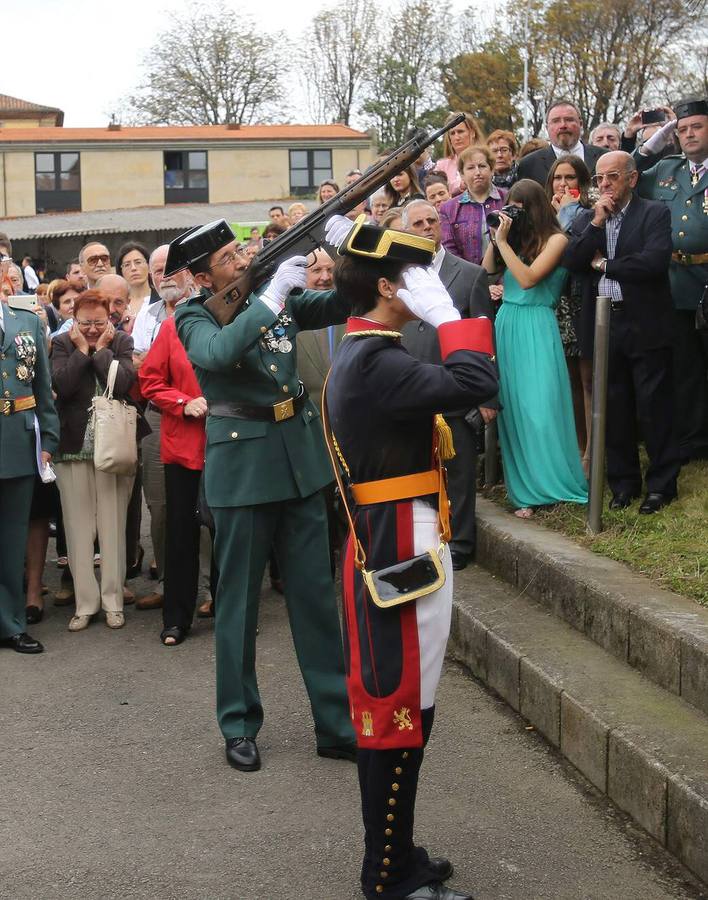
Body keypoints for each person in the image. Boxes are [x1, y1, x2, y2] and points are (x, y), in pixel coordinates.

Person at [325, 214, 497, 900]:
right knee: (400, 711)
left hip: (399, 530)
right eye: (418, 277)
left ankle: (398, 850)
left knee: (408, 707)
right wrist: (453, 317)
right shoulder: (378, 361)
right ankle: (387, 875)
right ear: (393, 288)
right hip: (400, 538)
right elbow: (475, 383)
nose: (430, 286)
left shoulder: (362, 350)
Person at [169, 218, 355, 771]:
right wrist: (271, 295)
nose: (241, 258)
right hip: (243, 467)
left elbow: (345, 304)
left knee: (316, 600)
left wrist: (347, 249)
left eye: (238, 250)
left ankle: (335, 721)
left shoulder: (279, 298)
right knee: (238, 602)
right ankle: (239, 721)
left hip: (298, 460)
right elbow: (221, 353)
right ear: (204, 276)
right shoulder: (193, 314)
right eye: (228, 257)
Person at [563, 152, 681, 512]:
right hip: (604, 323)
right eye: (599, 179)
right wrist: (597, 223)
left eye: (612, 177)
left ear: (631, 179)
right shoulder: (589, 218)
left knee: (653, 405)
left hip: (644, 321)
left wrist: (606, 264)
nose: (604, 185)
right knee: (613, 406)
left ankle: (662, 485)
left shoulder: (654, 213)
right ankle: (623, 483)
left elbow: (653, 261)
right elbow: (572, 262)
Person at [482, 178, 588, 516]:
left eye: (520, 207)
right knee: (515, 409)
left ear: (536, 207)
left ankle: (554, 482)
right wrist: (497, 235)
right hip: (508, 324)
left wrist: (505, 244)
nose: (516, 213)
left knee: (541, 408)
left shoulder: (557, 239)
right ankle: (526, 492)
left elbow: (528, 279)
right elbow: (486, 271)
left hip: (537, 324)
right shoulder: (516, 240)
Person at [401, 199, 497, 569]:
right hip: (410, 389)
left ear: (442, 226)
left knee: (458, 472)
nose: (426, 227)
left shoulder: (470, 274)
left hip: (456, 388)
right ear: (406, 230)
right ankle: (423, 540)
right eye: (418, 223)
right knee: (415, 471)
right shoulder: (397, 275)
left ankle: (460, 543)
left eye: (432, 221)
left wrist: (488, 395)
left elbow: (483, 338)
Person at [51, 291, 142, 631]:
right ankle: (85, 603)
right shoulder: (61, 344)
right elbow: (62, 384)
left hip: (114, 447)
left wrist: (101, 350)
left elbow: (122, 384)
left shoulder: (121, 341)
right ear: (74, 320)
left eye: (98, 323)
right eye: (84, 323)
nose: (91, 329)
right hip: (72, 447)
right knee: (76, 528)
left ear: (110, 320)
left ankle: (113, 601)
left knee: (113, 526)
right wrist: (81, 350)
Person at [633, 97, 708, 463]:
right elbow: (625, 174)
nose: (689, 134)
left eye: (697, 127)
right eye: (683, 129)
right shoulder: (667, 168)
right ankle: (693, 440)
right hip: (676, 282)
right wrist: (654, 137)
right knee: (686, 367)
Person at [138, 291, 210, 646]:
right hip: (183, 445)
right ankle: (177, 617)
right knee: (181, 532)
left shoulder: (237, 325)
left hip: (231, 444)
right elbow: (150, 382)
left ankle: (231, 611)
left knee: (230, 534)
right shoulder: (172, 328)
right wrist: (183, 402)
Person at [0, 293, 59, 654]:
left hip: (19, 441)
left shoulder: (27, 321)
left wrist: (48, 438)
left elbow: (42, 387)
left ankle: (11, 623)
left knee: (11, 541)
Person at [545, 155, 594, 469]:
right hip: (557, 302)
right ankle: (578, 447)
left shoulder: (590, 212)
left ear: (581, 181)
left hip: (584, 299)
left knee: (589, 378)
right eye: (558, 178)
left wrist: (566, 212)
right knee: (571, 381)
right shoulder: (545, 215)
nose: (563, 184)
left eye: (570, 178)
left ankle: (594, 450)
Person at [439, 145, 506, 265]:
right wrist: (472, 279)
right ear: (462, 174)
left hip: (508, 278)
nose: (477, 172)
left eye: (482, 166)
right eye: (470, 168)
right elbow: (449, 251)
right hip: (468, 279)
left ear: (491, 170)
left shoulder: (507, 198)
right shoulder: (449, 209)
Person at [516, 100, 607, 186]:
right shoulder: (529, 165)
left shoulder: (604, 157)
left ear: (581, 124)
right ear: (547, 127)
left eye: (569, 119)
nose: (563, 125)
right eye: (556, 121)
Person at [435, 111, 486, 196]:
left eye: (460, 132)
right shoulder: (441, 166)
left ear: (472, 133)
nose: (457, 137)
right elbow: (436, 190)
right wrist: (461, 185)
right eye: (452, 133)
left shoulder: (485, 159)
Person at [116, 241, 154, 336]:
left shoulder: (162, 300)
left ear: (149, 266)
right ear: (121, 271)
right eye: (127, 264)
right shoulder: (116, 305)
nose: (133, 268)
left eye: (138, 262)